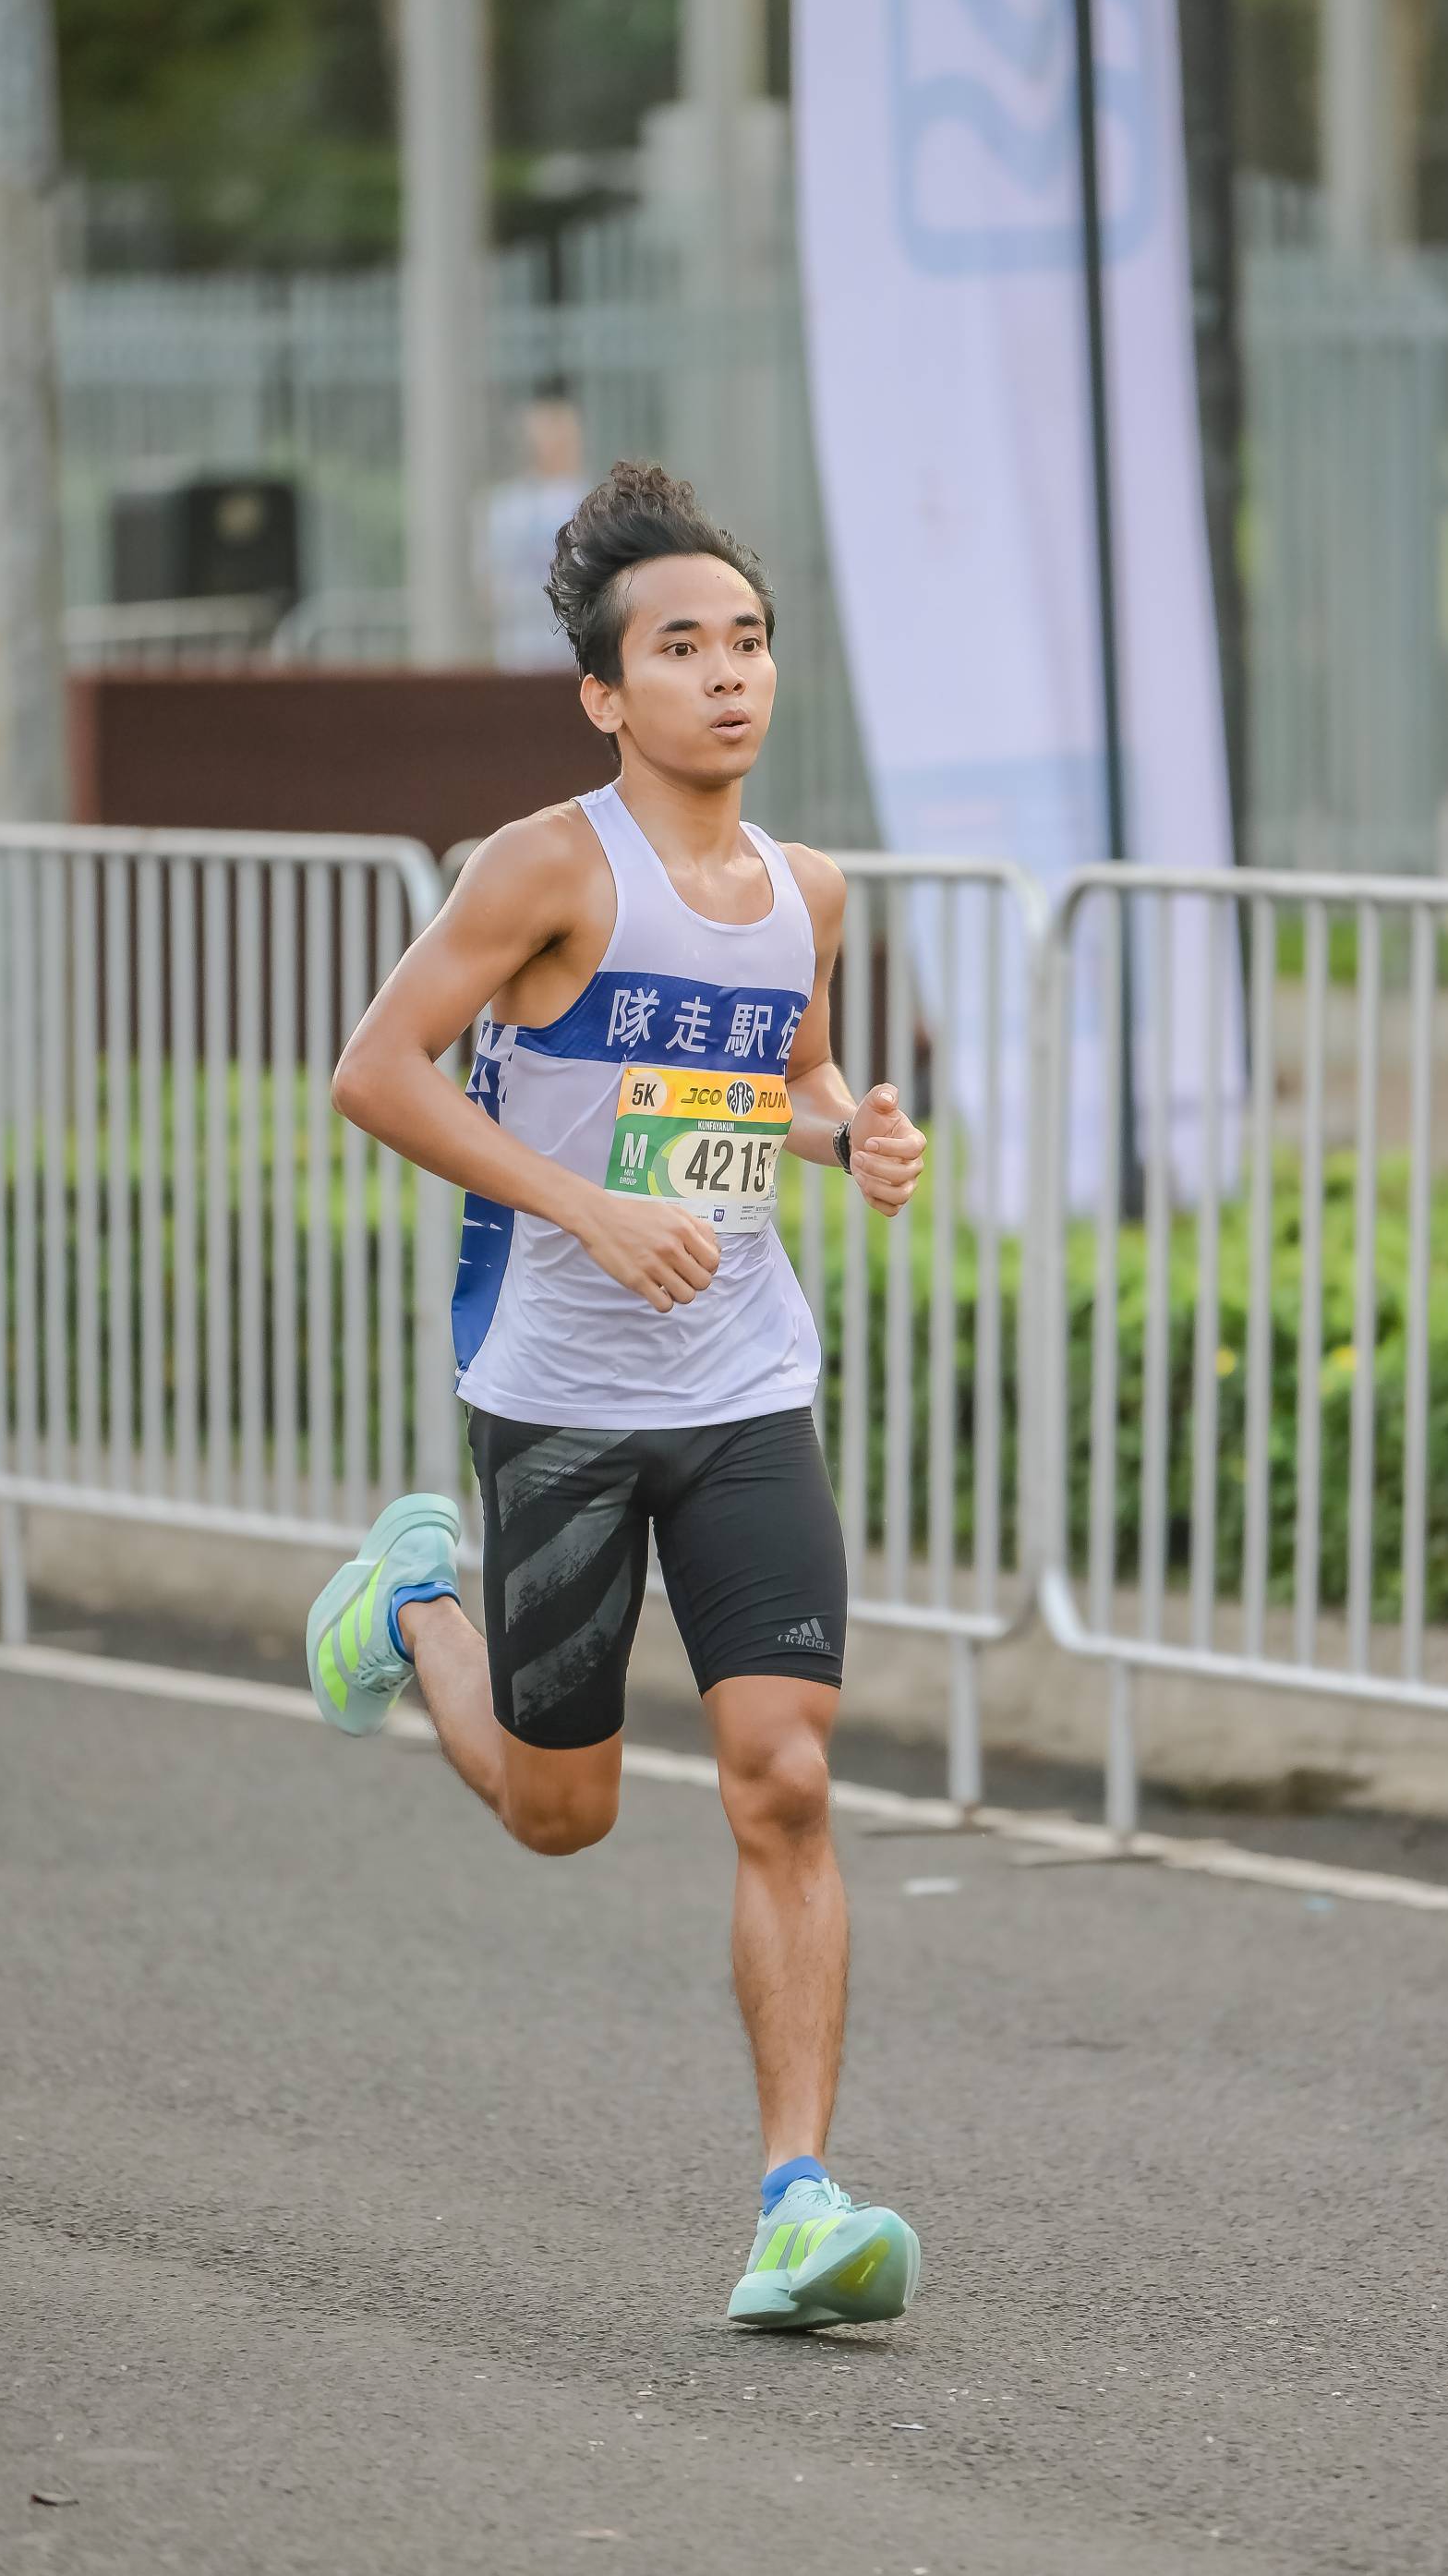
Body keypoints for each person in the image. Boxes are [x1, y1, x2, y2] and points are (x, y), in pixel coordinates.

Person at [305, 459, 929, 2330]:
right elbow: (376, 1072)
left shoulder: (803, 889)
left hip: (743, 1386)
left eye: (748, 640)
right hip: (562, 1394)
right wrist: (581, 1206)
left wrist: (851, 1134)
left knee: (785, 1778)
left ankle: (798, 2205)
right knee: (559, 1813)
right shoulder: (546, 869)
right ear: (604, 692)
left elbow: (781, 1079)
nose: (727, 675)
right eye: (681, 648)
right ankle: (414, 1609)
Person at [479, 384, 589, 670]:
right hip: (518, 656)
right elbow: (489, 586)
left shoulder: (592, 504)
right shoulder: (505, 506)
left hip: (576, 658)